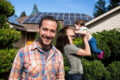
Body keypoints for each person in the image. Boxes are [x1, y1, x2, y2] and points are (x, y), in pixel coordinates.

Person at [9, 16, 65, 80]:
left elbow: (60, 78)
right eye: (45, 29)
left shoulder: (58, 54)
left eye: (52, 31)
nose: (48, 35)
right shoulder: (23, 53)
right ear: (38, 29)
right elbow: (13, 78)